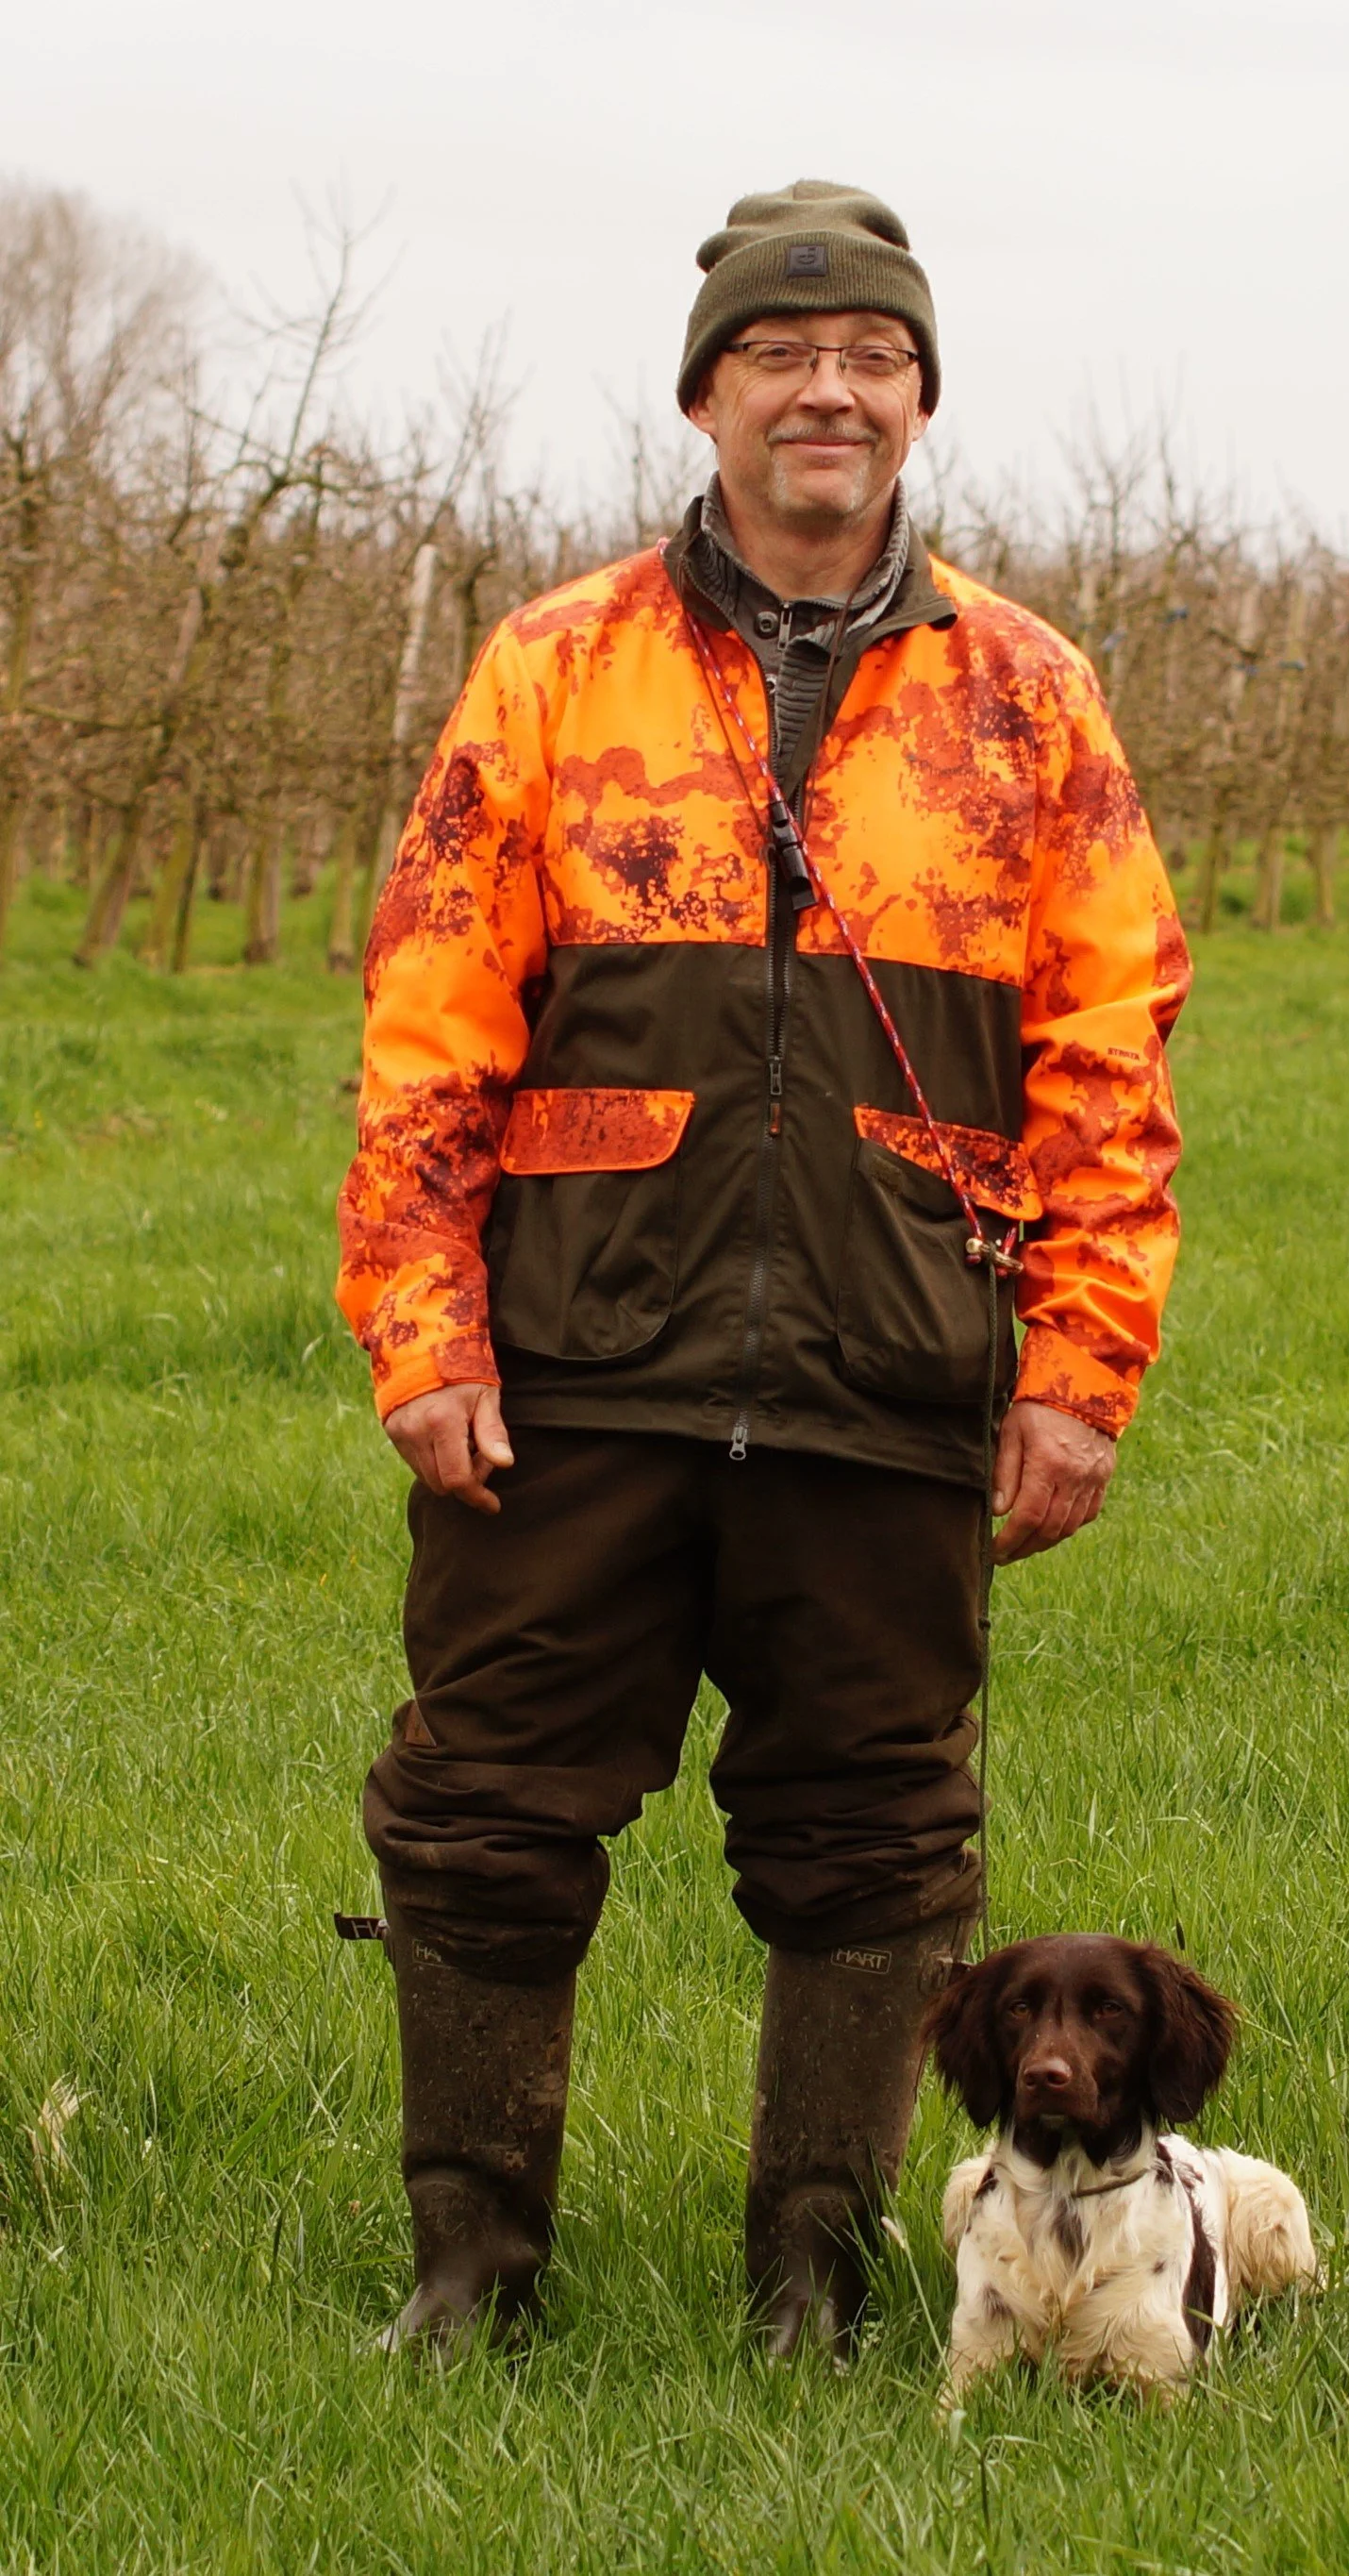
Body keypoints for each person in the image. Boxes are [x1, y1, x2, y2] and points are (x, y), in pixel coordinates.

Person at [336, 178, 1191, 2358]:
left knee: (877, 1842)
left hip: (891, 1363)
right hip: (572, 1362)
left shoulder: (1031, 697)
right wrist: (425, 1329)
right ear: (707, 396)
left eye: (873, 356)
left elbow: (1110, 1060)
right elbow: (431, 1027)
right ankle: (468, 2276)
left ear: (920, 402)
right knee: (485, 1815)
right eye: (783, 354)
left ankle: (812, 2282)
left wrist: (1077, 1371)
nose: (830, 389)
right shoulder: (554, 666)